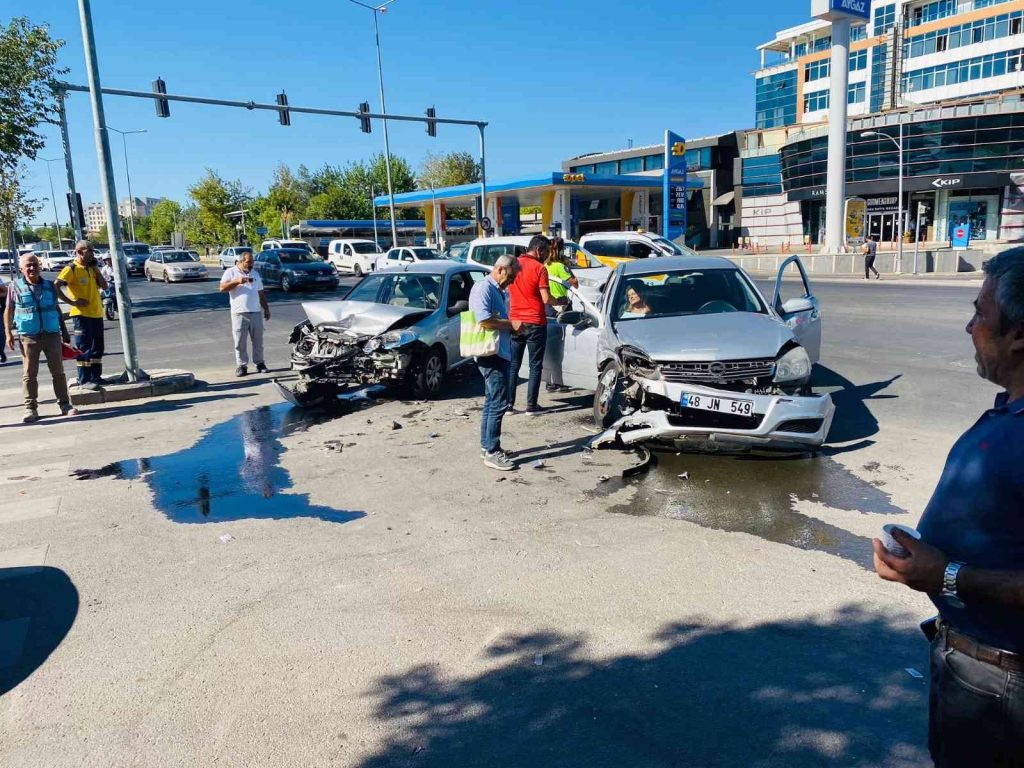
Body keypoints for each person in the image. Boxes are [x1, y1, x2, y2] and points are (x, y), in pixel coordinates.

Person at [872, 247, 1024, 767]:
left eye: (981, 313)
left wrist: (948, 575)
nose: (969, 327)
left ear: (1018, 334)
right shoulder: (1010, 412)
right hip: (973, 668)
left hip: (1003, 687)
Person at [4, 253, 77, 423]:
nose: (32, 268)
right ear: (21, 269)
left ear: (39, 266)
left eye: (35, 264)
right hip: (28, 336)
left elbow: (56, 308)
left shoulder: (50, 286)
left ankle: (65, 404)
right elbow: (8, 310)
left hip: (51, 334)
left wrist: (64, 331)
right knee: (29, 374)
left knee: (58, 371)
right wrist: (8, 333)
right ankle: (31, 408)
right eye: (28, 265)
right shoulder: (14, 287)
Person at [468, 254, 519, 471]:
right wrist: (512, 325)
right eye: (512, 276)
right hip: (491, 354)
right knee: (499, 402)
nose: (513, 281)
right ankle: (492, 451)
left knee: (492, 401)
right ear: (500, 270)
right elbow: (484, 320)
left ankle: (487, 446)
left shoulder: (497, 289)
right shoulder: (484, 288)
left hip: (498, 351)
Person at [508, 235, 555, 415]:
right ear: (538, 250)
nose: (548, 256)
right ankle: (531, 406)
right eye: (547, 252)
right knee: (535, 365)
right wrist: (561, 300)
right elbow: (546, 299)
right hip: (535, 321)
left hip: (515, 321)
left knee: (513, 365)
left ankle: (508, 405)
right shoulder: (540, 268)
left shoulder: (514, 265)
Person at [55, 240, 107, 389]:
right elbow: (56, 286)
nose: (92, 254)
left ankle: (96, 376)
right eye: (89, 251)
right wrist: (72, 302)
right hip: (81, 315)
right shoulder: (71, 268)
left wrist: (96, 269)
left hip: (96, 313)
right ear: (79, 251)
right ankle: (84, 379)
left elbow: (104, 286)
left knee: (98, 347)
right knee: (84, 348)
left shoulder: (91, 268)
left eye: (93, 251)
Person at [219, 250, 270, 376]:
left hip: (255, 312)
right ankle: (242, 366)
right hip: (239, 313)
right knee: (240, 342)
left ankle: (260, 363)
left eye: (252, 261)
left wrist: (266, 308)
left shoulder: (255, 274)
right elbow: (222, 288)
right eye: (248, 262)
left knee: (258, 341)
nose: (251, 264)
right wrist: (237, 281)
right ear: (241, 261)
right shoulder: (230, 272)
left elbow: (260, 293)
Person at [544, 244, 578, 393]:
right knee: (562, 346)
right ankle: (560, 381)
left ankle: (549, 382)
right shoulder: (560, 266)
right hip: (561, 305)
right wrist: (568, 268)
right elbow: (575, 283)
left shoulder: (544, 266)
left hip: (548, 307)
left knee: (549, 346)